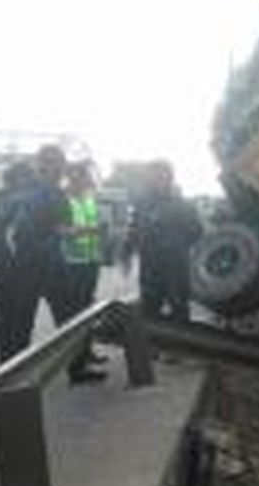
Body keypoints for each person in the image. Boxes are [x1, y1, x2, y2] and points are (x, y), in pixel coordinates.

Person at [0, 147, 73, 365]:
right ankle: (75, 367)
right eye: (60, 165)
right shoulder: (52, 193)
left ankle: (5, 376)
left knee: (11, 326)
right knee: (66, 318)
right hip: (39, 266)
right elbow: (64, 230)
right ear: (58, 166)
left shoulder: (2, 196)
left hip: (6, 269)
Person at [124, 161, 203, 323]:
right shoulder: (142, 204)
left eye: (159, 176)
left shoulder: (183, 204)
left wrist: (175, 242)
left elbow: (196, 231)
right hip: (150, 265)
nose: (153, 180)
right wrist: (127, 250)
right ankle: (152, 344)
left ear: (169, 178)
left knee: (179, 306)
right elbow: (134, 229)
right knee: (149, 308)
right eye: (151, 176)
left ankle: (181, 343)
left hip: (175, 265)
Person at [60, 160, 108, 377]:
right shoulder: (63, 199)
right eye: (85, 175)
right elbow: (62, 231)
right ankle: (76, 362)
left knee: (88, 309)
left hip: (90, 261)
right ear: (73, 176)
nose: (89, 179)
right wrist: (92, 230)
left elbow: (97, 224)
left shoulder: (89, 198)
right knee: (75, 313)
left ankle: (87, 351)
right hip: (72, 264)